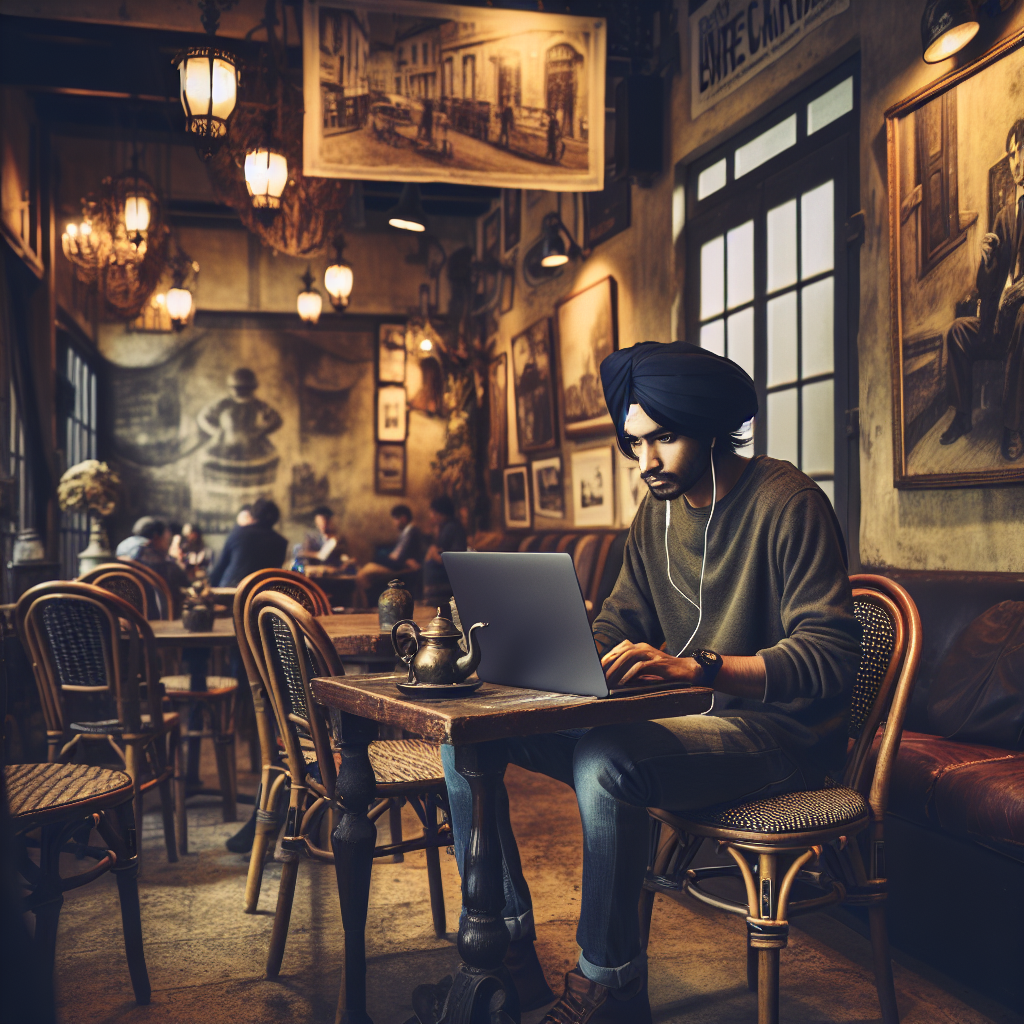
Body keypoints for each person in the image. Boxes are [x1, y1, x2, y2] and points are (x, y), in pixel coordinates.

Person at [440, 341, 862, 1023]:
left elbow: (832, 656)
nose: (646, 464)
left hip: (781, 738)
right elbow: (616, 620)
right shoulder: (654, 516)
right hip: (697, 724)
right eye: (634, 444)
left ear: (709, 427)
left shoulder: (789, 503)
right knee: (465, 741)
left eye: (663, 438)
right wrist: (567, 659)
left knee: (607, 760)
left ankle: (611, 987)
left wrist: (703, 667)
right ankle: (506, 956)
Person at [940, 118, 1024, 461]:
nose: (1016, 162)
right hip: (997, 318)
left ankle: (1011, 427)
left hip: (1020, 320)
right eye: (1011, 155)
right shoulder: (1005, 215)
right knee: (957, 331)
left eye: (1021, 150)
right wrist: (988, 261)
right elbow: (986, 285)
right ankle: (962, 417)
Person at [208, 498, 287, 588]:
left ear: (253, 514)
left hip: (230, 592)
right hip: (262, 595)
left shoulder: (238, 533)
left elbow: (220, 567)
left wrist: (210, 589)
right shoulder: (281, 542)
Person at [354, 504, 425, 603]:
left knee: (363, 575)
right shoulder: (407, 532)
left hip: (401, 568)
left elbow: (399, 557)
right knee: (362, 573)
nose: (394, 523)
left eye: (395, 519)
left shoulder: (411, 531)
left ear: (403, 519)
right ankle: (366, 604)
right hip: (397, 565)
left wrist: (381, 558)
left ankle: (369, 605)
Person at [115, 515, 189, 599]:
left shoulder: (123, 546)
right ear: (156, 537)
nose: (168, 546)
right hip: (146, 605)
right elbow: (184, 581)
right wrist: (176, 561)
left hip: (122, 601)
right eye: (167, 540)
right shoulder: (150, 553)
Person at [422, 495, 467, 604]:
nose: (431, 516)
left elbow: (453, 558)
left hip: (449, 575)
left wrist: (433, 553)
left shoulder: (451, 527)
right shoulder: (447, 526)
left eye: (433, 512)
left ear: (441, 513)